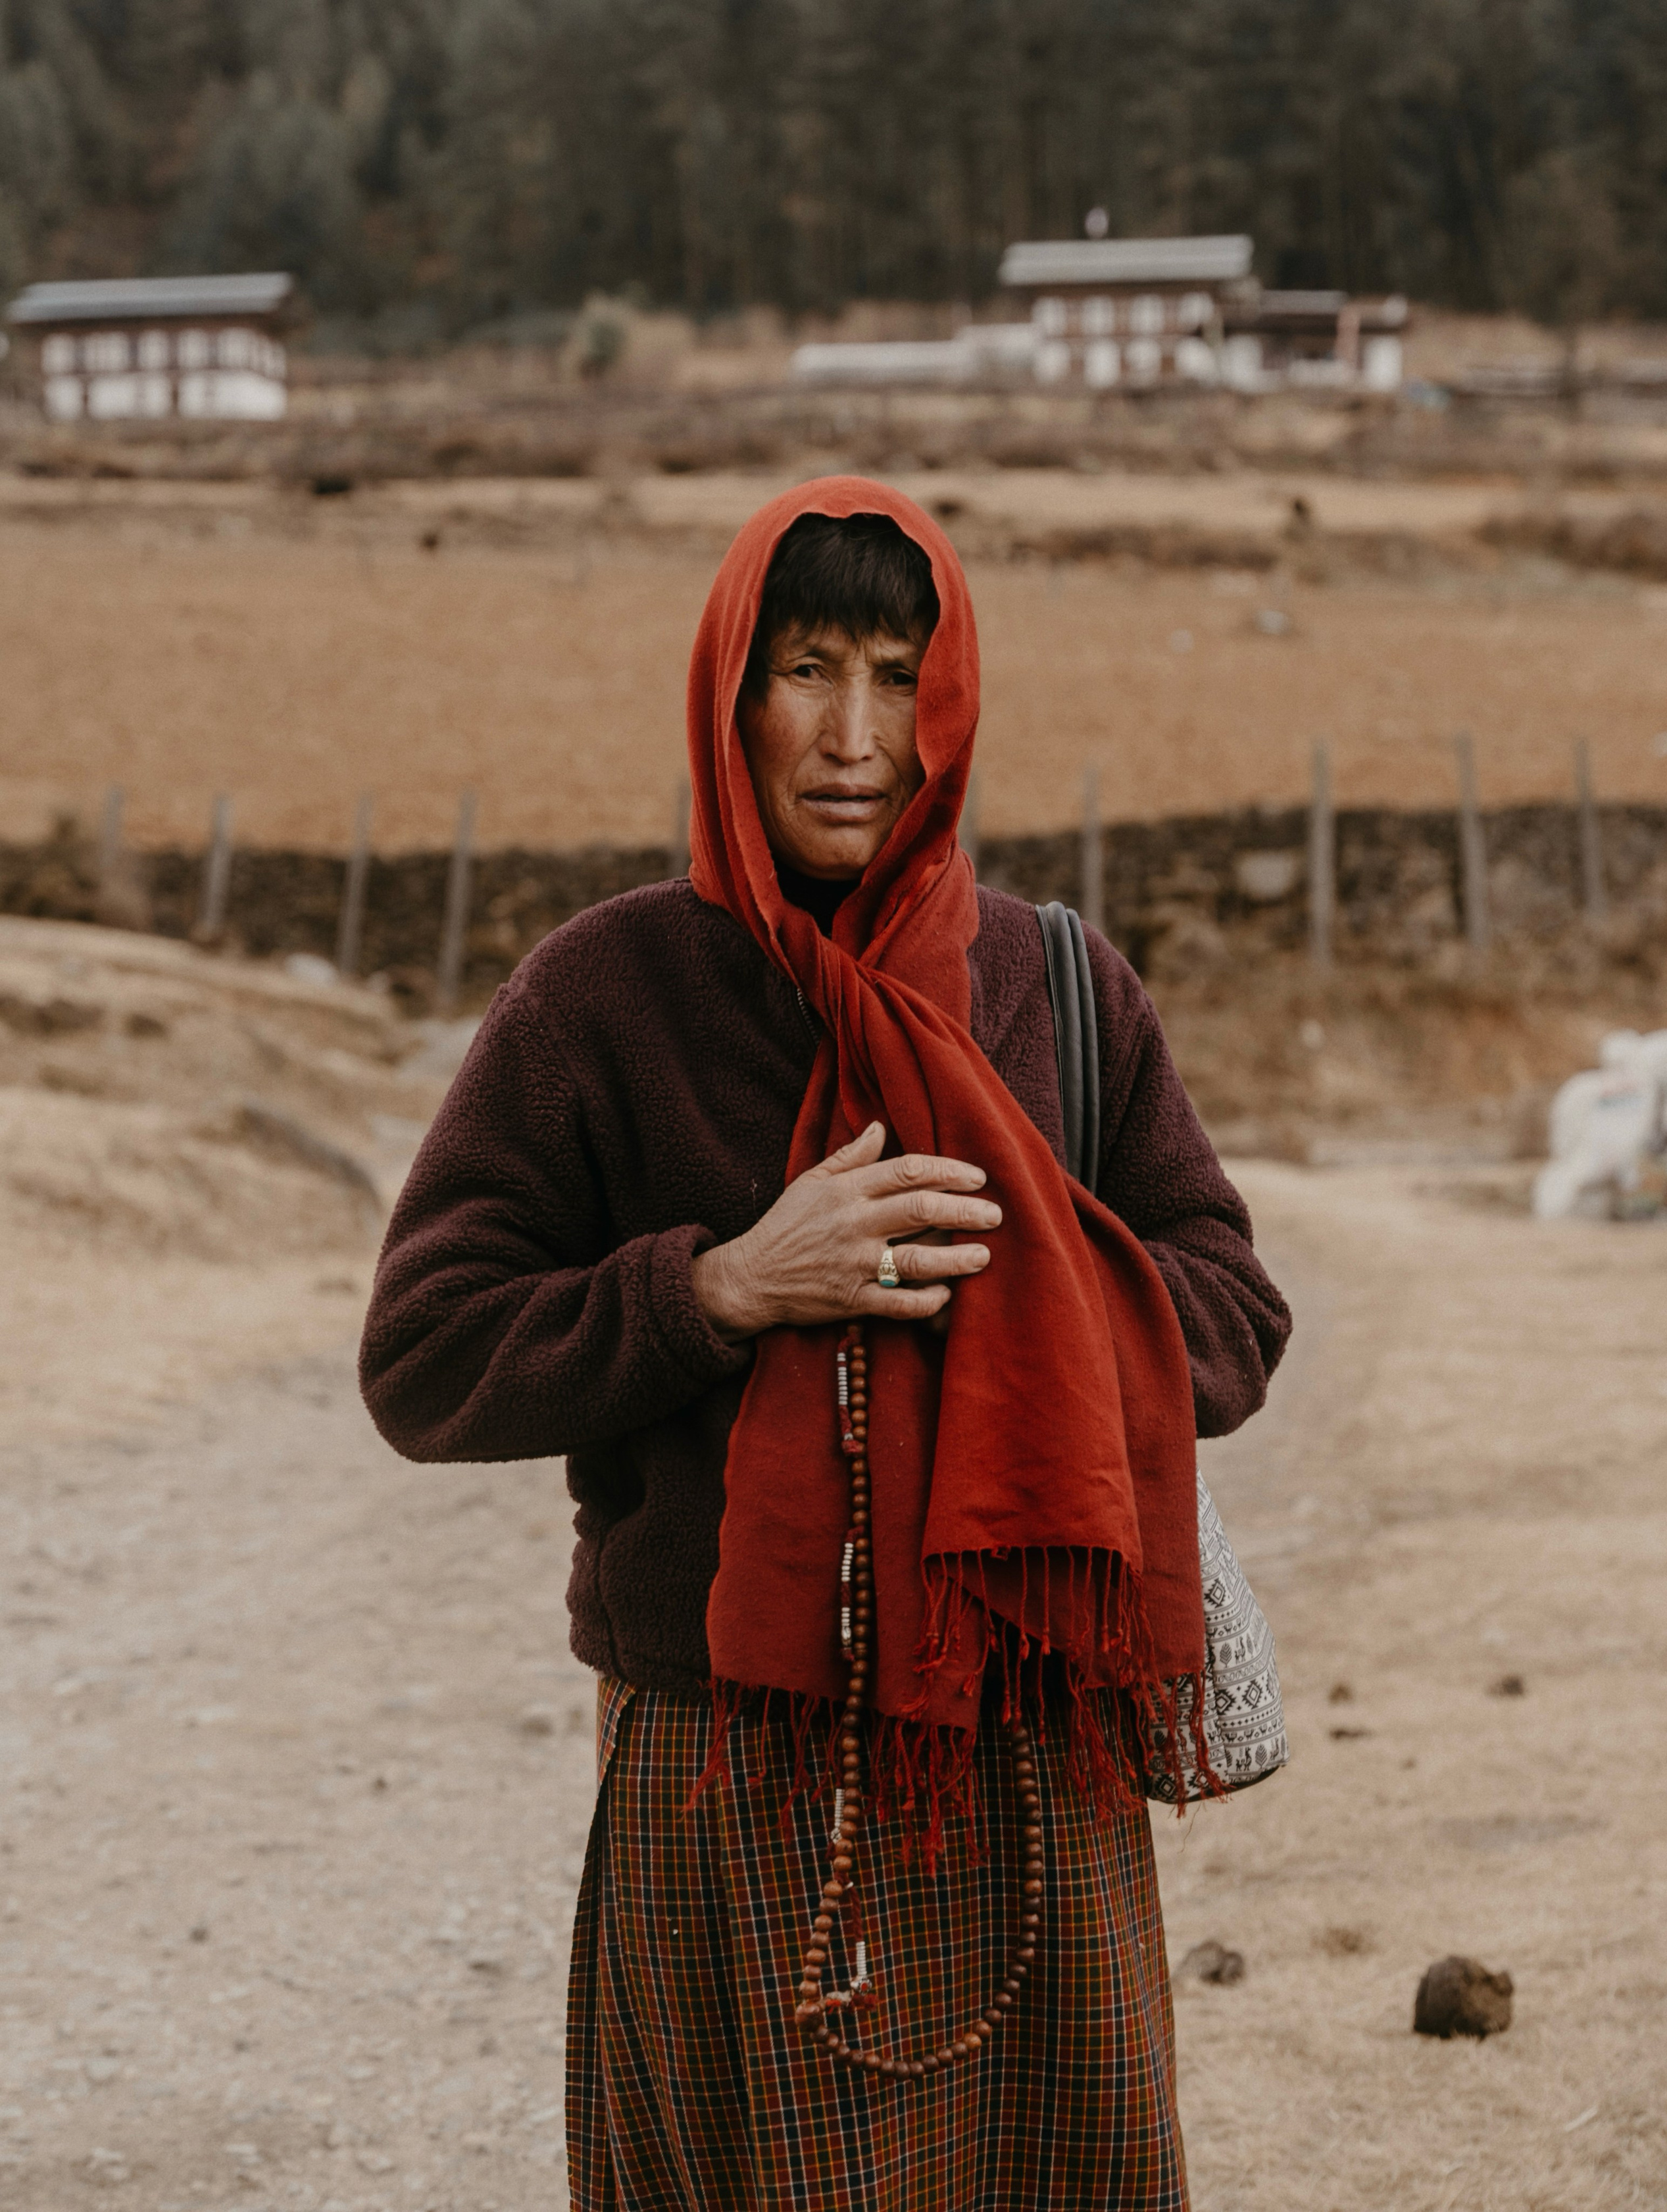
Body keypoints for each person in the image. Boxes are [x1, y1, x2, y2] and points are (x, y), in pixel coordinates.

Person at [360, 478, 1291, 2209]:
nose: (856, 734)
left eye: (895, 672)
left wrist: (1044, 1283)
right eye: (806, 669)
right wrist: (718, 1287)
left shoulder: (1061, 986)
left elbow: (1232, 1304)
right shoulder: (606, 997)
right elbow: (422, 1350)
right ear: (733, 695)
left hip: (1024, 1771)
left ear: (951, 704)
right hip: (721, 1771)